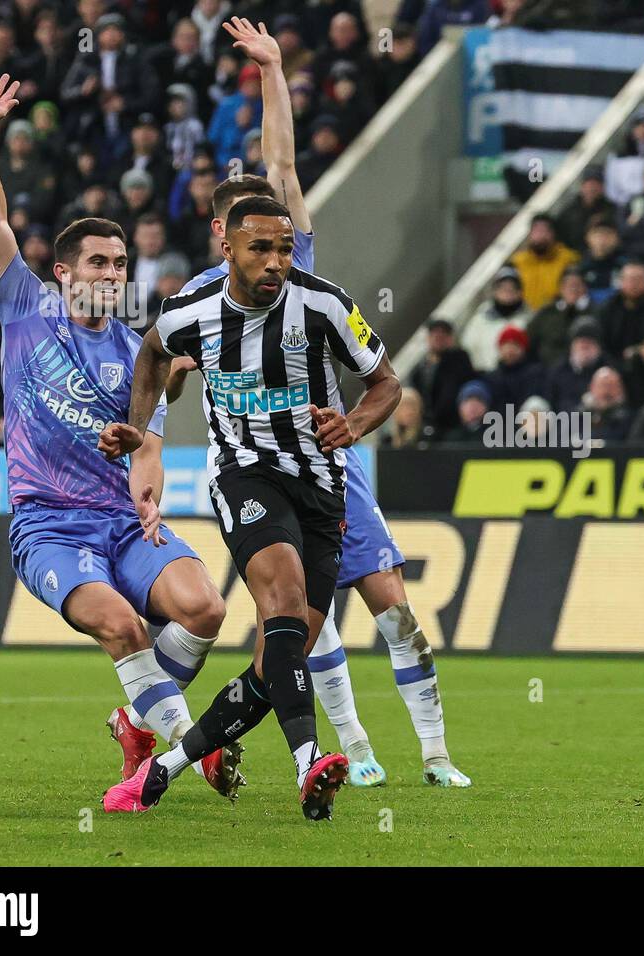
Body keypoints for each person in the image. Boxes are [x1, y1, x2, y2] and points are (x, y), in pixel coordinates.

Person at [167, 20, 471, 790]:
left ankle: (437, 756)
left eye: (278, 228)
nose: (275, 240)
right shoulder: (195, 305)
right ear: (221, 235)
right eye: (254, 228)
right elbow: (158, 372)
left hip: (331, 460)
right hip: (253, 474)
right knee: (302, 619)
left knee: (392, 607)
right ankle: (353, 751)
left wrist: (273, 70)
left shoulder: (293, 269)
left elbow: (285, 163)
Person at [0, 72, 238, 799]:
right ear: (62, 272)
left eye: (120, 264)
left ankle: (137, 720)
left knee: (207, 608)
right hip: (50, 526)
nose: (112, 274)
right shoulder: (26, 310)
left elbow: (149, 441)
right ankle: (193, 747)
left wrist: (150, 472)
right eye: (98, 263)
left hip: (122, 522)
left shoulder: (139, 352)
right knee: (122, 626)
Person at [99, 195, 399, 819]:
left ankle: (158, 773)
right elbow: (153, 353)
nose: (276, 262)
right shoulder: (193, 310)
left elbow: (386, 383)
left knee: (274, 665)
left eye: (284, 249)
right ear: (227, 247)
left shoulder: (326, 304)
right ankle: (308, 761)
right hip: (244, 476)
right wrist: (138, 428)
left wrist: (353, 422)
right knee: (282, 599)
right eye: (260, 248)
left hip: (320, 489)